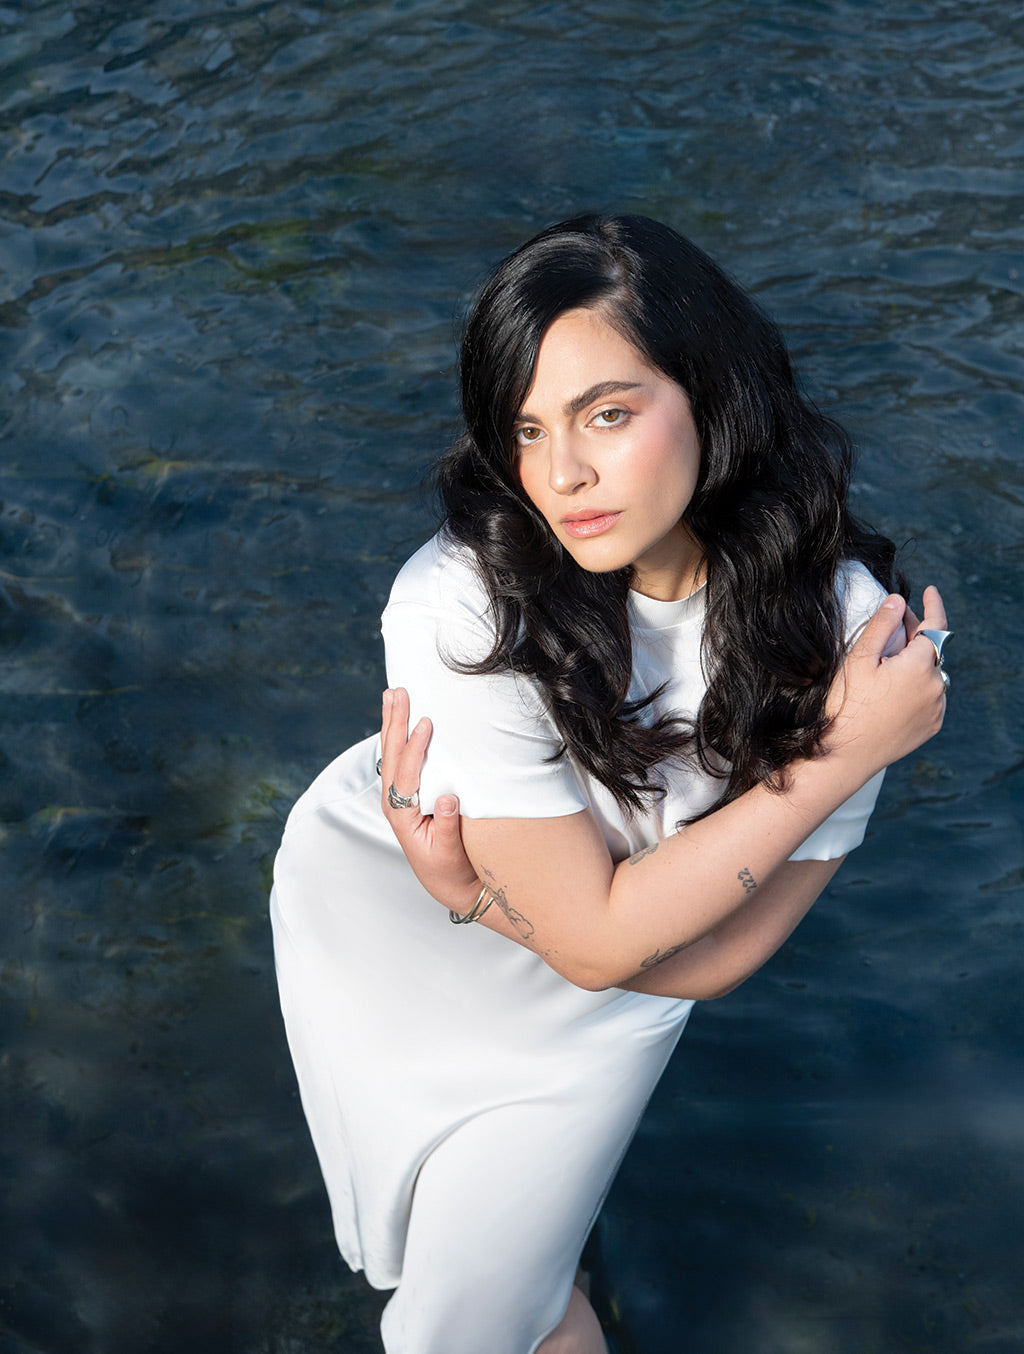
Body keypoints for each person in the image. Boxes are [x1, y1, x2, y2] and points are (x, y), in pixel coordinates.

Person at [270, 214, 950, 1354]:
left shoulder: (840, 634)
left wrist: (509, 911)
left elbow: (715, 956)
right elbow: (588, 935)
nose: (563, 473)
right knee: (485, 1279)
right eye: (526, 430)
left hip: (622, 983)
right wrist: (842, 748)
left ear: (711, 395)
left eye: (608, 413)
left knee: (455, 1322)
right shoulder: (459, 602)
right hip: (402, 904)